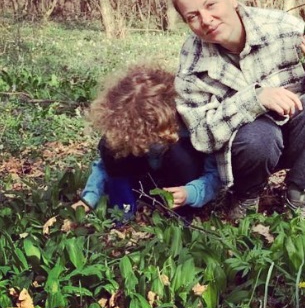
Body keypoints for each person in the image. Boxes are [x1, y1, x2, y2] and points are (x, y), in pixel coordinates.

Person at [169, 0, 305, 219]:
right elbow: (202, 137)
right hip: (247, 149)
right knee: (260, 134)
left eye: (211, 5)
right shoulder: (192, 63)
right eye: (193, 16)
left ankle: (300, 194)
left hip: (297, 135)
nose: (206, 20)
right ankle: (246, 196)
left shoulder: (283, 27)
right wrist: (254, 99)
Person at [71, 65, 221, 220]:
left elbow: (215, 175)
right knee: (109, 146)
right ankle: (122, 207)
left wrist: (190, 193)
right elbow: (105, 166)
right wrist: (89, 198)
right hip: (143, 182)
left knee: (180, 155)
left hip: (181, 186)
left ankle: (180, 213)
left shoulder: (194, 129)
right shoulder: (129, 129)